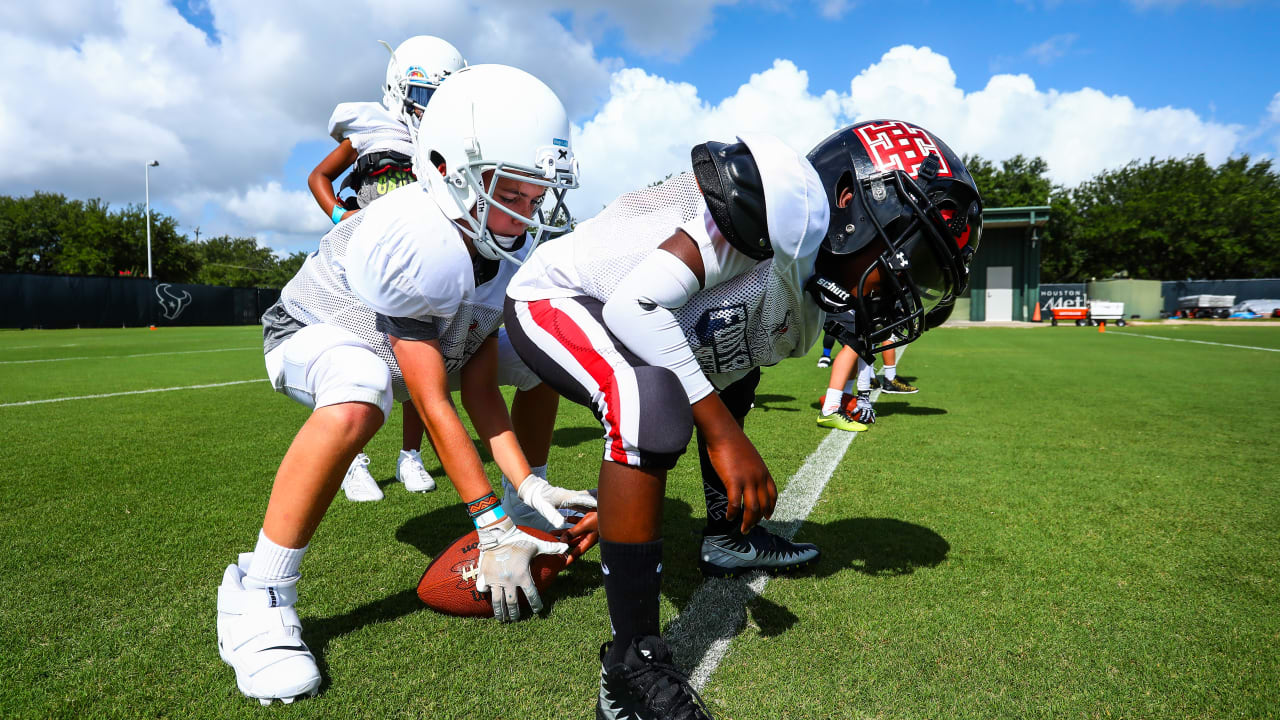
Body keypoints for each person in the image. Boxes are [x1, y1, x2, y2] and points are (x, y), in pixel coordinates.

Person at [504, 119, 983, 719]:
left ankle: (728, 539)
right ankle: (629, 670)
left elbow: (715, 370)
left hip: (628, 317)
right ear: (849, 202)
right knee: (650, 399)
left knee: (724, 378)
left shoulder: (812, 290)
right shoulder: (774, 201)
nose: (902, 283)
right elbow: (635, 305)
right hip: (562, 296)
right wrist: (723, 436)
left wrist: (629, 496)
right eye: (905, 253)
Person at [215, 65, 595, 706]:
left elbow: (479, 387)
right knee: (364, 388)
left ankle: (526, 507)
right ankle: (259, 591)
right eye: (513, 194)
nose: (528, 215)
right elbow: (433, 398)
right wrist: (486, 524)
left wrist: (522, 486)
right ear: (448, 168)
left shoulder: (500, 249)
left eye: (536, 197)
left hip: (423, 350)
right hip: (317, 332)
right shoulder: (416, 235)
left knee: (539, 355)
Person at [306, 36, 467, 501]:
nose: (430, 106)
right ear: (399, 89)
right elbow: (318, 176)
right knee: (360, 355)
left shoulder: (443, 145)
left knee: (424, 356)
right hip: (364, 260)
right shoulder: (373, 131)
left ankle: (410, 455)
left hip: (415, 261)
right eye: (423, 94)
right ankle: (352, 459)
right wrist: (341, 215)